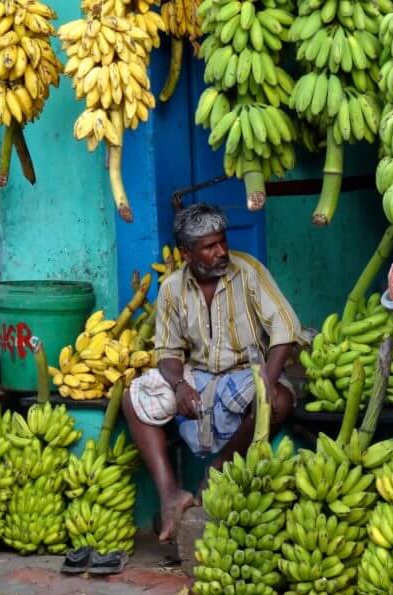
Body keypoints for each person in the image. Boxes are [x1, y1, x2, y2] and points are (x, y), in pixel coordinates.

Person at [122, 203, 304, 543]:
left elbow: (286, 328)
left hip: (247, 372)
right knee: (135, 400)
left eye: (222, 242)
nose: (221, 251)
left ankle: (219, 467)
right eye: (209, 247)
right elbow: (168, 351)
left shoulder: (247, 272)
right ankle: (169, 494)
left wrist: (268, 376)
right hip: (200, 376)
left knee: (276, 401)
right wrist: (178, 386)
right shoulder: (173, 288)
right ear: (186, 253)